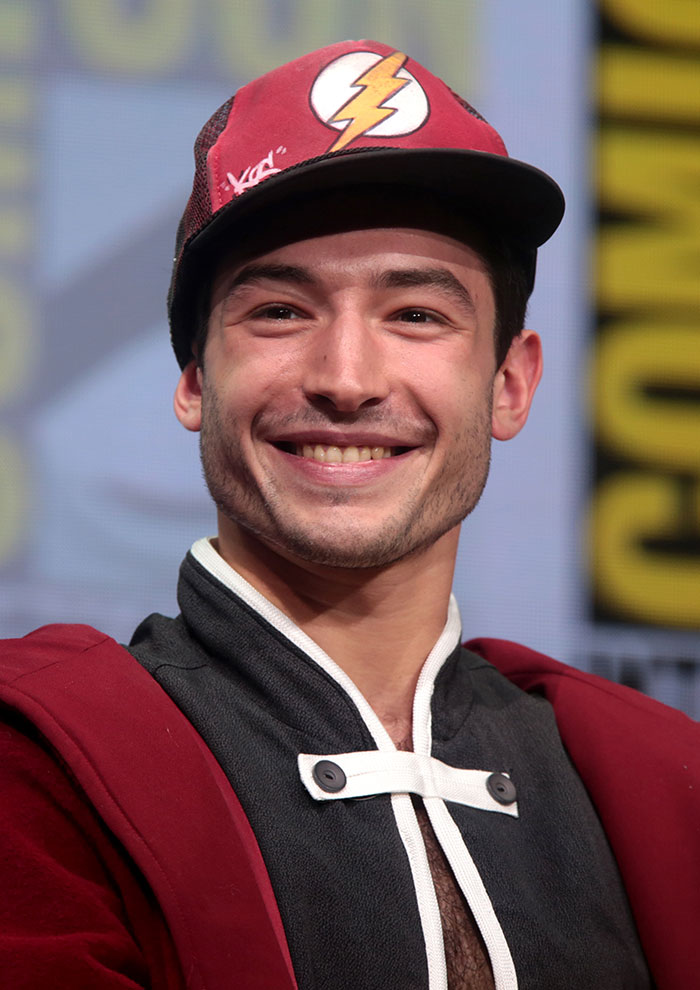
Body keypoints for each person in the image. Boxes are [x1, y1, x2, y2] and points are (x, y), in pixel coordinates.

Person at [1, 39, 697, 990]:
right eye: (280, 311)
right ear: (197, 379)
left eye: (415, 315)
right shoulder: (40, 757)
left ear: (509, 382)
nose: (344, 380)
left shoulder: (664, 786)